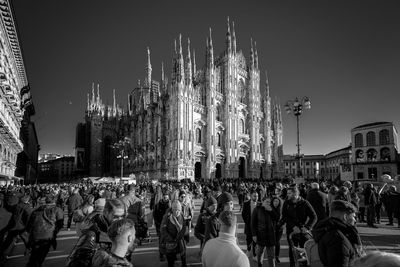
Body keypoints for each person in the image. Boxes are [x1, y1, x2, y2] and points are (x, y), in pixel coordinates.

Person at [67, 199, 126, 267]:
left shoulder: (121, 231)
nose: (120, 220)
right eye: (116, 217)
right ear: (106, 212)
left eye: (122, 216)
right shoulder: (91, 236)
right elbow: (74, 263)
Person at [312, 200, 363, 267]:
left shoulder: (331, 230)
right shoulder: (338, 239)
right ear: (345, 217)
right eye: (353, 216)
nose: (355, 220)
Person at [279, 186, 317, 267]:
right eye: (287, 193)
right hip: (291, 230)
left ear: (295, 193)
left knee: (304, 250)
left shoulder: (305, 203)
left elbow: (314, 217)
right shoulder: (287, 202)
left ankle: (304, 265)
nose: (287, 195)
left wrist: (307, 227)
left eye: (289, 193)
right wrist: (293, 226)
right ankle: (292, 265)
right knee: (292, 250)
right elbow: (285, 216)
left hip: (303, 231)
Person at [25, 194, 64, 267]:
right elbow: (60, 224)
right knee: (40, 257)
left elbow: (29, 226)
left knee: (35, 256)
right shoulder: (57, 209)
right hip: (47, 236)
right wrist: (54, 232)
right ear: (54, 200)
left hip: (36, 235)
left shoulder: (36, 210)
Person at [251, 196, 279, 267]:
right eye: (267, 202)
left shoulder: (272, 209)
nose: (268, 203)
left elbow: (277, 218)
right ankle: (259, 265)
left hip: (270, 235)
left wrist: (271, 211)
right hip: (261, 235)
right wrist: (254, 235)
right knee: (260, 253)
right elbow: (253, 223)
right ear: (262, 202)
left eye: (270, 202)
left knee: (271, 255)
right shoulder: (257, 209)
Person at [160, 200, 187, 267]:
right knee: (170, 258)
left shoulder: (181, 215)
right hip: (170, 241)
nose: (177, 212)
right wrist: (170, 238)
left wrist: (179, 237)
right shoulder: (167, 217)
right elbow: (163, 229)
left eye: (179, 210)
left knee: (183, 254)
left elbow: (184, 227)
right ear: (172, 209)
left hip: (179, 240)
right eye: (175, 210)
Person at [153, 189, 171, 261]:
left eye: (167, 197)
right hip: (160, 225)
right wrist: (158, 225)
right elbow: (155, 216)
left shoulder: (170, 205)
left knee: (169, 240)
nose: (165, 199)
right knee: (161, 240)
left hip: (169, 225)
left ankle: (169, 254)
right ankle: (161, 255)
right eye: (164, 197)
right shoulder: (158, 205)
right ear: (162, 197)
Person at [242, 189, 258, 260]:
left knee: (255, 240)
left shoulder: (260, 204)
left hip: (257, 226)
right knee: (248, 239)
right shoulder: (246, 203)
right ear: (251, 196)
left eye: (257, 196)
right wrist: (247, 222)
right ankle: (248, 250)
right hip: (248, 225)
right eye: (254, 196)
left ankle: (255, 254)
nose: (256, 197)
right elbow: (243, 214)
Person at [271, 193, 283, 263]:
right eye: (274, 201)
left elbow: (282, 218)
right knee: (272, 242)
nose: (276, 203)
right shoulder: (270, 209)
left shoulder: (281, 209)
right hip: (271, 228)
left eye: (277, 201)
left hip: (279, 229)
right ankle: (272, 256)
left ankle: (277, 256)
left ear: (279, 202)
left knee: (277, 242)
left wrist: (282, 224)